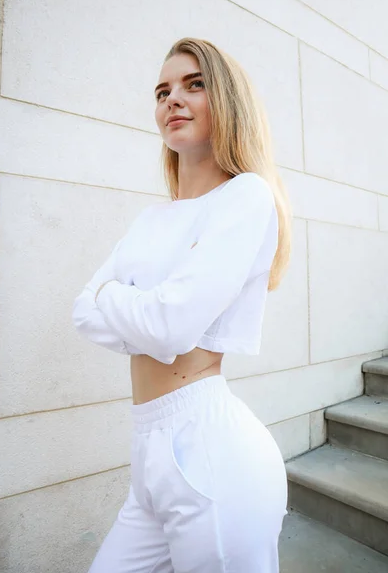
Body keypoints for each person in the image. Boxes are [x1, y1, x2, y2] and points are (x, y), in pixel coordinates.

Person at [72, 37, 292, 573]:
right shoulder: (152, 221)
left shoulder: (246, 196)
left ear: (228, 101)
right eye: (162, 90)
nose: (173, 98)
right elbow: (82, 312)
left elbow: (168, 328)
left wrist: (114, 298)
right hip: (148, 452)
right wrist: (138, 312)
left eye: (195, 84)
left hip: (211, 452)